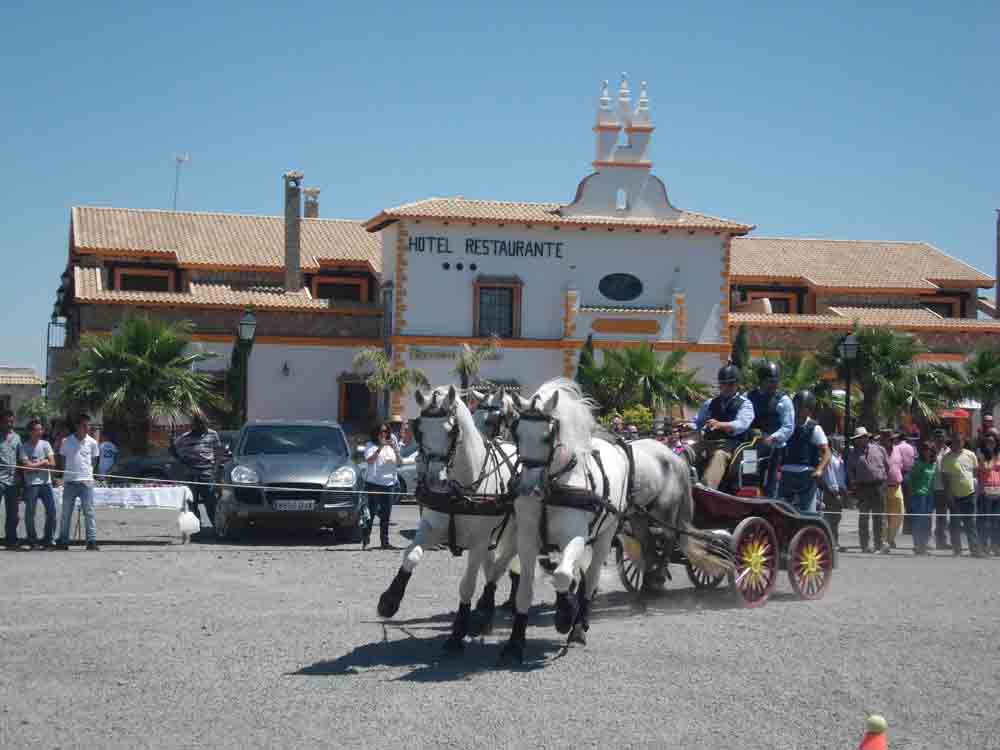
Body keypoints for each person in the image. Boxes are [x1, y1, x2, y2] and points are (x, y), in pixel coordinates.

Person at [694, 362, 755, 490]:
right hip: (709, 443)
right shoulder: (710, 403)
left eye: (731, 384)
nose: (726, 387)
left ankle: (705, 489)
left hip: (732, 446)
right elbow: (697, 421)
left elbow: (742, 424)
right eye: (723, 384)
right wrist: (688, 425)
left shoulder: (745, 404)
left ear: (737, 384)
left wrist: (720, 425)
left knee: (719, 455)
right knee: (687, 450)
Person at [746, 361, 794, 497]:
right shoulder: (748, 397)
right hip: (752, 447)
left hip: (775, 449)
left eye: (775, 381)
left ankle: (770, 504)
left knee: (771, 484)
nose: (774, 384)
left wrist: (772, 437)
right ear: (761, 381)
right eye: (770, 381)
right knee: (749, 480)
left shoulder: (783, 400)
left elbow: (788, 426)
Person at [777, 391, 829, 514]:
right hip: (786, 474)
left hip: (806, 475)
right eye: (797, 406)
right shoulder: (786, 426)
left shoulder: (814, 428)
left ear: (810, 410)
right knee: (781, 510)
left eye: (803, 407)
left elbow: (827, 453)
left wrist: (820, 469)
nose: (799, 410)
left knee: (807, 512)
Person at [56, 413, 101, 551]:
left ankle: (91, 541)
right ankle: (64, 541)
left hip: (86, 482)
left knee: (89, 512)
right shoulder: (66, 441)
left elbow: (94, 460)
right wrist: (66, 474)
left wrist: (88, 474)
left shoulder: (92, 442)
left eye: (88, 425)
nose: (87, 428)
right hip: (70, 482)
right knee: (66, 513)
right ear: (77, 426)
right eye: (84, 425)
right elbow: (62, 459)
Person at [171, 415, 224, 523]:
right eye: (197, 424)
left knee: (210, 502)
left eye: (202, 424)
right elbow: (173, 450)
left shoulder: (213, 434)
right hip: (190, 474)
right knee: (192, 502)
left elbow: (219, 454)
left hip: (207, 473)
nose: (200, 427)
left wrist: (216, 471)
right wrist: (181, 459)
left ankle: (216, 526)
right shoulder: (185, 437)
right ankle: (196, 526)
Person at [847, 427, 890, 554]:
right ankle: (865, 545)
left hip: (879, 486)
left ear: (867, 437)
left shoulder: (879, 449)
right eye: (857, 439)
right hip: (863, 488)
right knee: (864, 517)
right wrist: (854, 485)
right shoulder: (853, 454)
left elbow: (887, 466)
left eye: (862, 437)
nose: (860, 440)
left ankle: (879, 544)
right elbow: (850, 472)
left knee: (879, 516)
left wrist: (883, 481)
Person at [940, 434, 982, 557]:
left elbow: (974, 473)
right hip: (955, 496)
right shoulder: (946, 458)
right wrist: (949, 495)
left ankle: (974, 549)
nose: (957, 443)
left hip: (970, 494)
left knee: (971, 523)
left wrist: (975, 490)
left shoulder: (971, 455)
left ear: (963, 442)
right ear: (951, 442)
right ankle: (957, 549)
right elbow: (945, 479)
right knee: (955, 523)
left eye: (959, 441)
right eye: (955, 441)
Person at [19, 419, 56, 549]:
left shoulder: (46, 444)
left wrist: (35, 465)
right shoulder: (24, 447)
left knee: (52, 511)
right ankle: (32, 540)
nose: (40, 432)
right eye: (36, 430)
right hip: (31, 484)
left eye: (41, 429)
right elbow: (26, 468)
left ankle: (48, 539)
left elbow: (52, 464)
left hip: (46, 483)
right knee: (30, 514)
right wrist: (42, 463)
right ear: (30, 432)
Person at [363, 422, 400, 550]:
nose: (384, 434)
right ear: (376, 433)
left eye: (386, 432)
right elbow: (369, 461)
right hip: (374, 484)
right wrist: (380, 448)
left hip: (389, 484)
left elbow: (400, 463)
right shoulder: (370, 446)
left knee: (386, 515)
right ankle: (366, 539)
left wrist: (395, 449)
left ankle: (385, 542)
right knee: (371, 514)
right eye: (381, 432)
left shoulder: (391, 447)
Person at [907, 440, 937, 555]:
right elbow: (910, 480)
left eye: (928, 449)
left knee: (927, 521)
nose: (926, 451)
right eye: (924, 449)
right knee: (918, 521)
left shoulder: (933, 464)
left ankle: (923, 545)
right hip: (919, 495)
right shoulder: (918, 463)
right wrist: (913, 492)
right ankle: (917, 545)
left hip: (929, 495)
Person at [879, 429, 905, 552]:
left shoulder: (898, 450)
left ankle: (890, 539)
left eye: (891, 438)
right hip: (882, 486)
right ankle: (884, 542)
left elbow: (903, 465)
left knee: (899, 514)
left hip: (896, 486)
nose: (889, 440)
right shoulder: (878, 450)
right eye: (886, 438)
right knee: (883, 516)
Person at [821, 435, 849, 551]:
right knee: (830, 518)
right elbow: (830, 475)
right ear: (835, 444)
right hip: (832, 492)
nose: (843, 445)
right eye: (841, 443)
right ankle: (829, 543)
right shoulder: (830, 458)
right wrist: (835, 491)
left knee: (836, 519)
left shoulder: (839, 458)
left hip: (840, 491)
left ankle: (834, 542)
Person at [0, 410, 23, 549]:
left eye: (11, 421)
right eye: (7, 421)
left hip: (13, 480)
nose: (10, 424)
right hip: (0, 480)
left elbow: (20, 458)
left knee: (13, 514)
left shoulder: (17, 438)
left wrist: (21, 477)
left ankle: (11, 540)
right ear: (1, 421)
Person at [976, 429, 1000, 556]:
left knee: (997, 522)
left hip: (998, 492)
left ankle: (996, 546)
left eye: (993, 441)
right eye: (988, 442)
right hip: (985, 492)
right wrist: (991, 456)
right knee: (985, 521)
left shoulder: (999, 455)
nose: (991, 444)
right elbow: (986, 469)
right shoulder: (981, 455)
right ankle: (983, 546)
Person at [931, 429, 951, 550]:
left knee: (942, 516)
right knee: (929, 516)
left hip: (945, 488)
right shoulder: (930, 451)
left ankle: (942, 541)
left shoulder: (949, 452)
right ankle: (928, 541)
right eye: (937, 437)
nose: (940, 439)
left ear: (945, 438)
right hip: (931, 488)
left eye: (942, 437)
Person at [894, 430, 916, 535]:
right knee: (909, 503)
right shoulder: (911, 448)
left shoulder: (897, 447)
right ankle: (908, 528)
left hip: (899, 473)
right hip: (909, 474)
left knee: (898, 502)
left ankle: (896, 528)